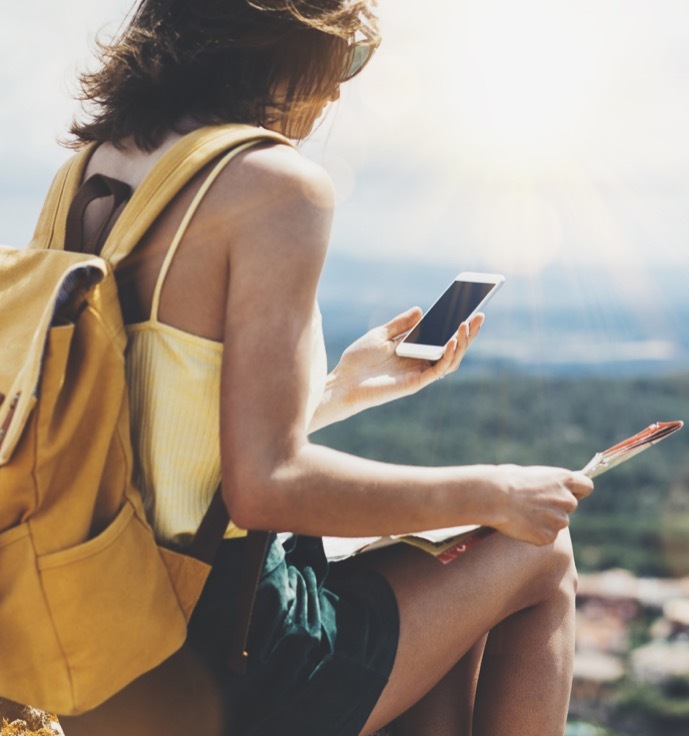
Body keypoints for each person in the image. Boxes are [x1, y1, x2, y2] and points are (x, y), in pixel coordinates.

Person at [59, 1, 593, 734]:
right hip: (223, 649)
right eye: (340, 59)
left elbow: (147, 423)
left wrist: (342, 387)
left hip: (100, 622)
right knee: (540, 553)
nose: (340, 91)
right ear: (274, 42)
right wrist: (496, 493)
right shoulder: (274, 186)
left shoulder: (89, 176)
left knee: (442, 603)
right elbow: (265, 489)